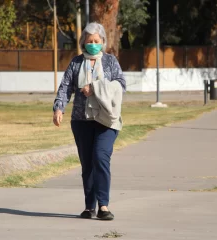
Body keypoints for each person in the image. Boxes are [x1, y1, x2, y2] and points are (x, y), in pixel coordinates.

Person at [52, 22, 126, 221]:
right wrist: (59, 108)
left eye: (97, 41)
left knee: (100, 158)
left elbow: (121, 85)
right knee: (87, 164)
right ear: (83, 42)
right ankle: (89, 206)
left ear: (103, 42)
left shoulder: (110, 62)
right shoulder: (76, 63)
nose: (93, 44)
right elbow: (65, 87)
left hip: (106, 120)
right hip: (81, 121)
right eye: (89, 41)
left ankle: (103, 206)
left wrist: (95, 88)